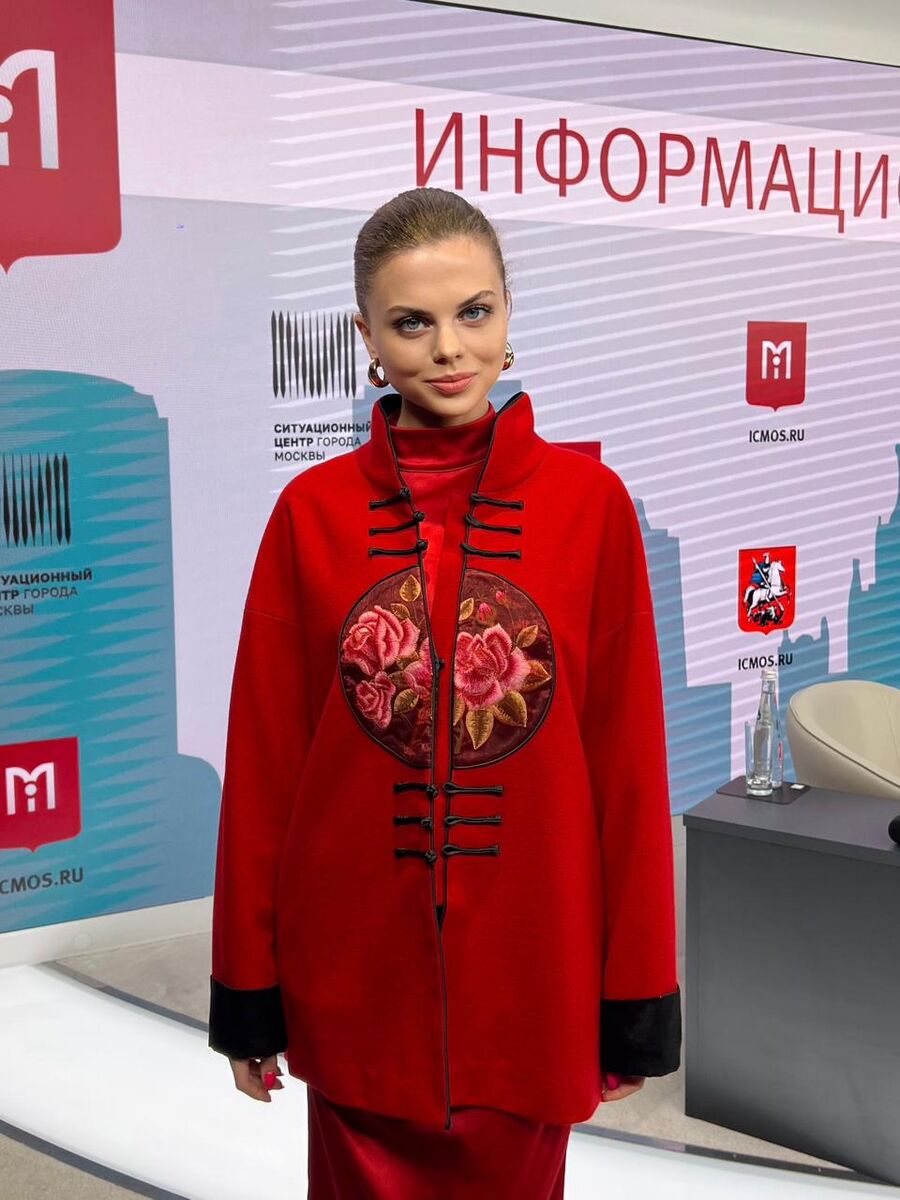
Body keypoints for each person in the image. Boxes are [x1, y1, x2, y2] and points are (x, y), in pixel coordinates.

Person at [208, 187, 681, 1198]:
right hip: (352, 977)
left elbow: (629, 770)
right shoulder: (308, 515)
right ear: (368, 341)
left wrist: (635, 993)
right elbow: (264, 772)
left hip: (533, 976)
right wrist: (249, 989)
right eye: (412, 323)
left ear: (509, 316)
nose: (450, 349)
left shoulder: (592, 509)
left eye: (474, 312)